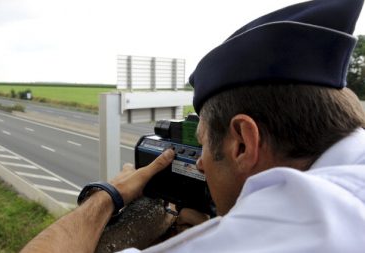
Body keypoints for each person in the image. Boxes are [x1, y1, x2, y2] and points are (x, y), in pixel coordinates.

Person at [21, 0, 365, 252]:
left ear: (243, 143)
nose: (200, 163)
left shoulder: (272, 234)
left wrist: (108, 195)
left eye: (202, 145)